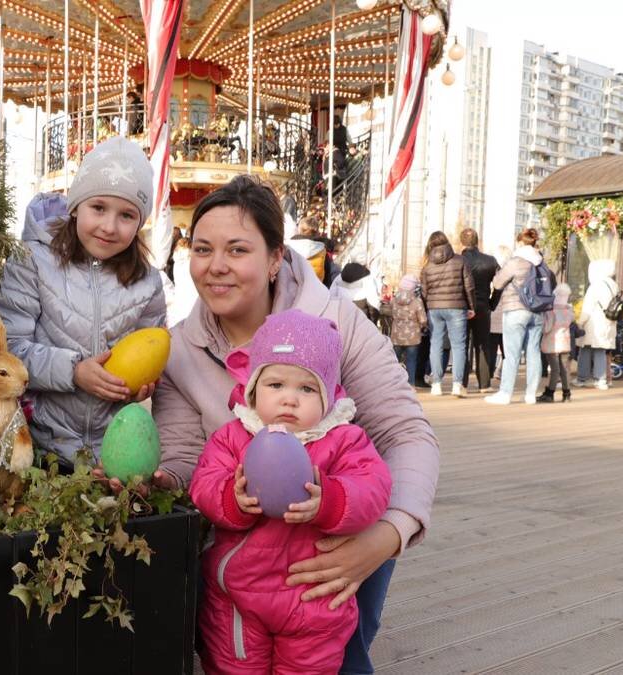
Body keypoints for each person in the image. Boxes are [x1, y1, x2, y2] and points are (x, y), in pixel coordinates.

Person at [147, 175, 439, 675]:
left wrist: (385, 537)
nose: (216, 266)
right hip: (247, 559)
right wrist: (156, 480)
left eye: (237, 249)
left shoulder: (335, 323)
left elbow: (406, 433)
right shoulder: (179, 349)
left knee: (341, 662)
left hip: (338, 543)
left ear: (276, 257)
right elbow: (185, 457)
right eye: (202, 249)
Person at [191, 310, 392, 674]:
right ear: (253, 387)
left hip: (313, 602)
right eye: (275, 385)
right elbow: (204, 483)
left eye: (306, 388)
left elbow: (373, 488)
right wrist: (231, 499)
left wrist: (328, 501)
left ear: (329, 395)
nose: (289, 400)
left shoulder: (344, 440)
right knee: (231, 667)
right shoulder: (234, 437)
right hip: (239, 596)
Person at [0, 137, 166, 465]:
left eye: (127, 215)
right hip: (37, 448)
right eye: (98, 207)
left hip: (112, 457)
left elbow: (150, 351)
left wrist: (142, 387)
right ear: (75, 206)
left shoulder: (147, 282)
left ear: (140, 222)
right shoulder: (32, 260)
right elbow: (8, 350)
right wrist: (73, 371)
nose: (109, 226)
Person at [485, 228, 549, 405]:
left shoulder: (515, 261)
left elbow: (497, 284)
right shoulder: (541, 262)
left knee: (512, 353)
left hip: (515, 310)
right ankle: (530, 394)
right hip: (538, 310)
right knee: (533, 351)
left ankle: (505, 393)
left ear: (520, 242)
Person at [419, 231, 476, 397]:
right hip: (457, 306)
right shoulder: (460, 260)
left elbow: (424, 291)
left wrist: (427, 307)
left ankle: (436, 384)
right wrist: (471, 307)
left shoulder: (427, 266)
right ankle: (457, 385)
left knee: (435, 344)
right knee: (458, 346)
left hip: (434, 308)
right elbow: (469, 285)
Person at [459, 228, 501, 393]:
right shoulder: (490, 261)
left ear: (462, 242)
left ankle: (461, 382)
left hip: (462, 307)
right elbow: (500, 283)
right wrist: (492, 302)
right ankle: (484, 383)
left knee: (461, 344)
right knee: (482, 344)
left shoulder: (458, 260)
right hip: (483, 306)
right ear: (477, 241)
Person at [575, 260, 619, 390]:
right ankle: (601, 380)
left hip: (593, 324)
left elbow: (587, 309)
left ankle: (582, 378)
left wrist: (579, 323)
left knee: (585, 350)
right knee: (601, 350)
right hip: (609, 323)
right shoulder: (613, 285)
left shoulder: (595, 285)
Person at [538, 283, 575, 403]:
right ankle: (566, 393)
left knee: (555, 369)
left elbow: (546, 328)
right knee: (564, 369)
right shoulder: (569, 311)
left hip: (552, 343)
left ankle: (550, 393)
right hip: (565, 342)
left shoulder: (550, 310)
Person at [390, 274, 428, 387]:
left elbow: (390, 313)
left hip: (396, 335)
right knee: (411, 360)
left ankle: (393, 383)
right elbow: (423, 319)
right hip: (413, 336)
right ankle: (410, 383)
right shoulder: (417, 301)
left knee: (395, 360)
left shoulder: (394, 300)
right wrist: (423, 326)